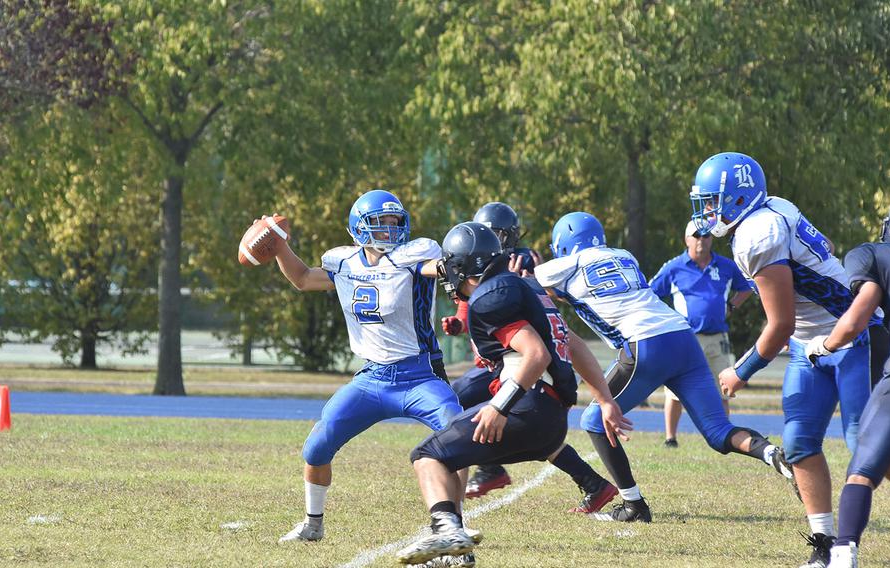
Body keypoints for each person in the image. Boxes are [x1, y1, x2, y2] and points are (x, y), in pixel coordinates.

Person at [397, 222, 631, 565]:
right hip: (551, 422)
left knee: (428, 455)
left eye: (451, 264)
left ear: (466, 267)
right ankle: (455, 552)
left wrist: (500, 407)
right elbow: (574, 344)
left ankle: (447, 532)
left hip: (527, 406)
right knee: (453, 449)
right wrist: (606, 400)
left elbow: (537, 354)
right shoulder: (528, 287)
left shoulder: (490, 297)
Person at [534, 211, 791, 524]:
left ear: (563, 245)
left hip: (646, 344)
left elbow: (536, 289)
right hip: (682, 338)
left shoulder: (558, 266)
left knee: (594, 420)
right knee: (717, 431)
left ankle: (634, 505)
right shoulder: (623, 255)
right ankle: (770, 453)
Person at [690, 152, 880, 567]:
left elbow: (780, 324)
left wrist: (740, 372)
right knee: (798, 444)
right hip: (809, 343)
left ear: (737, 199)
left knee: (865, 446)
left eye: (711, 201)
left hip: (853, 336)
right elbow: (826, 245)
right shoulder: (777, 207)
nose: (706, 211)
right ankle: (825, 542)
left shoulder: (758, 233)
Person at [270, 189, 464, 544]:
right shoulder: (343, 262)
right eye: (380, 223)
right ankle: (313, 524)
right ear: (358, 227)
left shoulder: (413, 255)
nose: (389, 230)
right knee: (316, 448)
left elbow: (432, 267)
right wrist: (279, 246)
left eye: (395, 222)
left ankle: (453, 524)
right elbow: (302, 278)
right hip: (372, 378)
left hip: (418, 375)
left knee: (458, 437)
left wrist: (455, 267)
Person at [444, 202, 611, 513]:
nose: (492, 241)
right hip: (508, 361)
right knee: (535, 429)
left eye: (497, 234)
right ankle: (592, 483)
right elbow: (471, 304)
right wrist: (458, 321)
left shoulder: (521, 264)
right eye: (487, 234)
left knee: (458, 403)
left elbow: (537, 306)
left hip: (524, 361)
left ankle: (481, 473)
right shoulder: (483, 274)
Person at [805, 207, 890, 568]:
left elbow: (858, 316)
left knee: (861, 469)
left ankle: (842, 553)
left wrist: (825, 344)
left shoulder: (870, 254)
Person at [650, 220, 753, 447]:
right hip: (685, 339)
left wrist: (732, 305)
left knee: (723, 388)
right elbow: (651, 293)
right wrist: (666, 320)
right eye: (696, 235)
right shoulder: (674, 267)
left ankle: (726, 437)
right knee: (675, 391)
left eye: (706, 235)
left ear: (712, 239)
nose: (701, 240)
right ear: (687, 239)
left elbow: (747, 287)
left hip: (717, 338)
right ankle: (671, 438)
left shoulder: (725, 266)